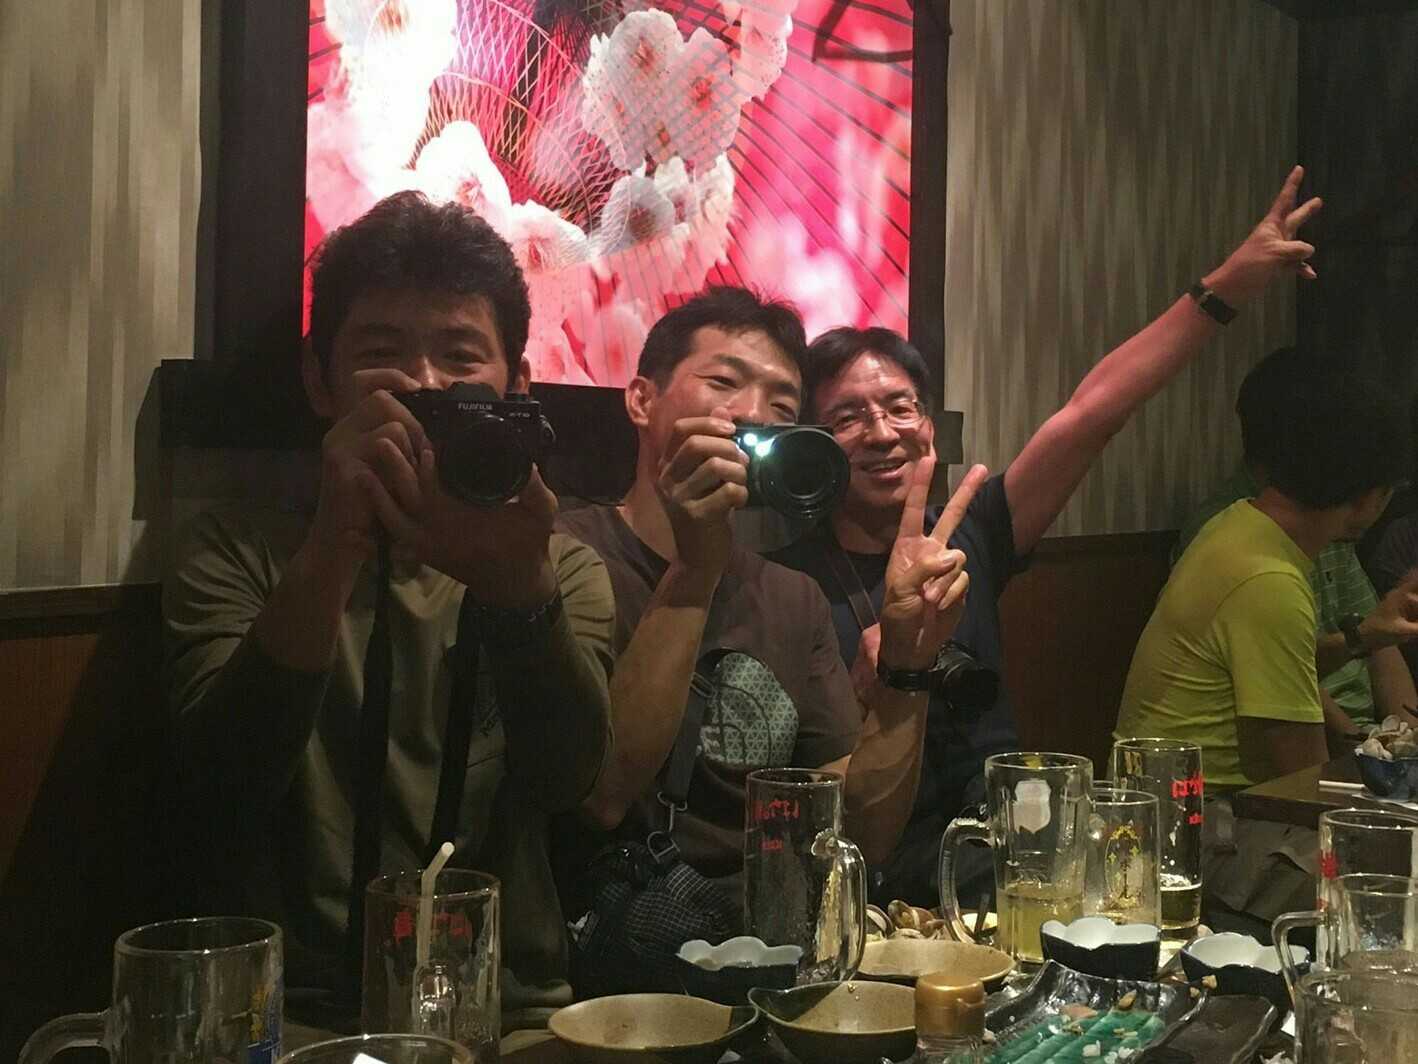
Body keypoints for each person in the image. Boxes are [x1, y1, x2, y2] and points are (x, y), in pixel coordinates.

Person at [771, 166, 1325, 905]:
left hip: (1017, 847)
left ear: (929, 425)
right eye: (847, 418)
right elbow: (791, 792)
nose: (881, 432)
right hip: (879, 881)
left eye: (901, 408)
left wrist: (1226, 288)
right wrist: (873, 690)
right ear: (814, 443)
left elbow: (1093, 413)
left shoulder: (973, 531)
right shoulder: (789, 585)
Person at [163, 192, 613, 1028]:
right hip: (294, 1016)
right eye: (382, 353)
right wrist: (334, 547)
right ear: (318, 379)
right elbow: (219, 791)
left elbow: (568, 784)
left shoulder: (560, 563)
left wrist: (518, 587)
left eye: (459, 357)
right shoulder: (238, 553)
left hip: (507, 1011)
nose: (422, 385)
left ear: (517, 386)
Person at [556, 286, 985, 901]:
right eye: (724, 382)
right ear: (641, 399)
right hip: (613, 938)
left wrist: (908, 666)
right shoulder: (565, 555)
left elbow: (860, 831)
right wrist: (695, 568)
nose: (754, 414)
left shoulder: (793, 598)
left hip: (765, 937)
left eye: (782, 403)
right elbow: (602, 796)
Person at [1115, 370, 1412, 932]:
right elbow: (1302, 782)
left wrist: (1363, 636)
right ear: (1369, 498)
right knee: (1390, 885)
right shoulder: (1269, 580)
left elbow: (1266, 672)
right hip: (1194, 835)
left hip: (1178, 814)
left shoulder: (1239, 525)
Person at [1174, 347, 1418, 745]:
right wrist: (1367, 746)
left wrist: (1406, 739)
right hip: (1284, 762)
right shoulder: (1258, 565)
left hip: (1350, 743)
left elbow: (1374, 637)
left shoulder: (1306, 521)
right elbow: (1298, 755)